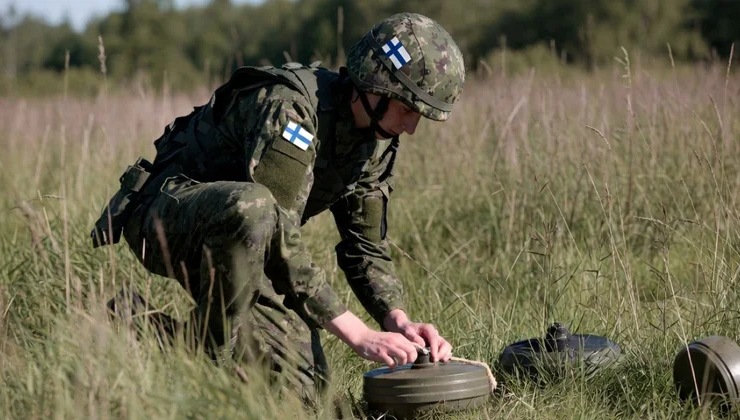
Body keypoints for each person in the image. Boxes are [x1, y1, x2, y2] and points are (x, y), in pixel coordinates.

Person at [90, 12, 466, 401]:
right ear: (377, 84)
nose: (412, 127)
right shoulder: (292, 109)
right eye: (408, 110)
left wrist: (397, 319)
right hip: (167, 222)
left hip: (250, 248)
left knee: (308, 397)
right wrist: (358, 333)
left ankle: (138, 325)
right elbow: (274, 228)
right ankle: (207, 370)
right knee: (253, 207)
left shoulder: (375, 141)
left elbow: (365, 247)